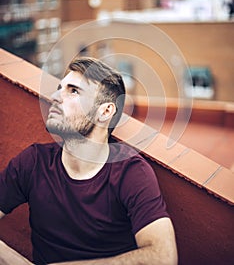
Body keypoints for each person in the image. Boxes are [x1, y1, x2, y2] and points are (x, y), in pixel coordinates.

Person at [0, 56, 178, 265]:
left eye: (73, 91)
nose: (56, 96)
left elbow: (163, 257)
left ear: (105, 111)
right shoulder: (33, 162)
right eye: (60, 88)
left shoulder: (130, 173)